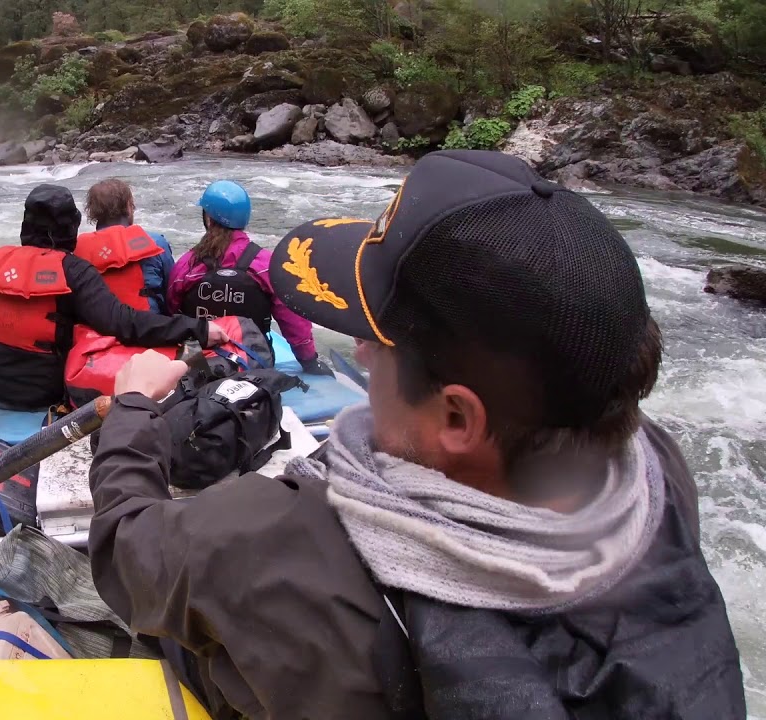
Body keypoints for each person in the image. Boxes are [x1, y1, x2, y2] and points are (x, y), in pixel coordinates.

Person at [89, 151, 745, 719]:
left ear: (457, 420)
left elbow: (125, 548)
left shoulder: (271, 543)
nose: (364, 355)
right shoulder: (658, 470)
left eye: (377, 341)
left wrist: (133, 410)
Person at [0, 184, 225, 411]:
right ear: (71, 225)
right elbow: (122, 322)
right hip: (44, 396)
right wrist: (197, 328)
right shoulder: (74, 270)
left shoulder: (2, 266)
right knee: (189, 356)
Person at [167, 180, 327, 375]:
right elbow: (293, 321)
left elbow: (171, 316)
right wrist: (309, 361)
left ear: (208, 218)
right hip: (252, 363)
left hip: (197, 367)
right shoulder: (267, 265)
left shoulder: (186, 265)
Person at [77, 179, 175, 314]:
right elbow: (172, 292)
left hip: (98, 327)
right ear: (129, 207)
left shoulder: (80, 248)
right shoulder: (155, 242)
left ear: (92, 212)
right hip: (148, 325)